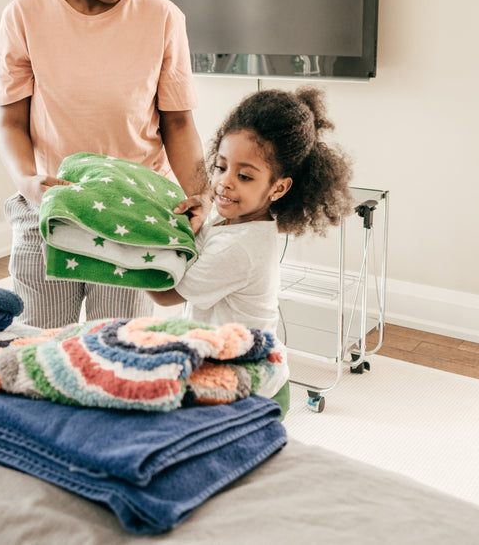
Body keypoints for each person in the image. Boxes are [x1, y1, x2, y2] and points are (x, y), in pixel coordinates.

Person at [0, 0, 211, 329]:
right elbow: (12, 123)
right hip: (46, 208)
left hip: (132, 214)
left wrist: (200, 195)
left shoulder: (163, 18)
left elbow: (178, 124)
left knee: (119, 351)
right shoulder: (24, 15)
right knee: (39, 346)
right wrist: (28, 182)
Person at [148, 87, 355, 417]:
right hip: (233, 368)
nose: (224, 183)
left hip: (251, 387)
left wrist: (136, 244)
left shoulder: (241, 247)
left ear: (278, 187)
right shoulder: (233, 223)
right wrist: (195, 226)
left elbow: (166, 293)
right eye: (219, 166)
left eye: (244, 176)